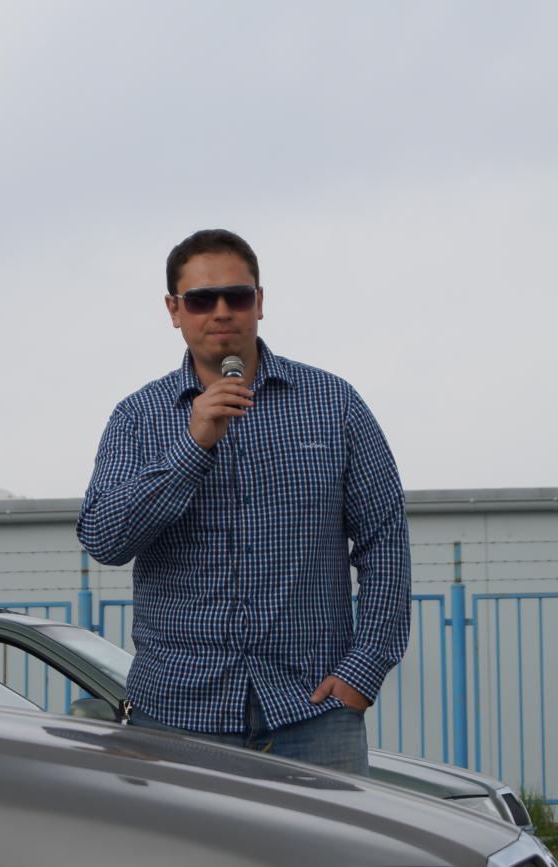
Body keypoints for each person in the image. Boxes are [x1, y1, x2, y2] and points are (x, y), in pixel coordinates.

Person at [76, 229, 410, 775]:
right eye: (201, 299)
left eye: (237, 295)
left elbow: (385, 539)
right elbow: (104, 539)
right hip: (176, 716)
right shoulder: (138, 417)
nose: (222, 311)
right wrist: (192, 446)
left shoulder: (334, 404)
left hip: (313, 713)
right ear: (174, 310)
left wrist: (364, 669)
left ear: (260, 301)